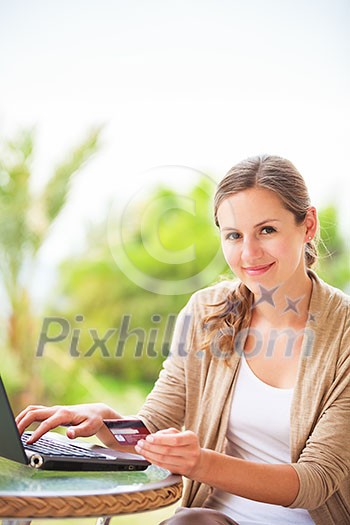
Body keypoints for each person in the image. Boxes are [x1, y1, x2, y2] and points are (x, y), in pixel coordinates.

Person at [16, 155, 349, 525]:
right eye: (234, 236)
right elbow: (155, 427)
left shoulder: (344, 334)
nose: (249, 253)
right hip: (212, 518)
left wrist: (199, 462)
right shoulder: (207, 312)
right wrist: (107, 423)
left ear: (308, 225)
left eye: (267, 230)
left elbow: (317, 480)